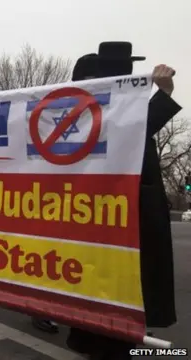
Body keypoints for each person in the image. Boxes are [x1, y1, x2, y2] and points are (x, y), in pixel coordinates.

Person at [64, 42, 180, 360]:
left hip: (131, 204)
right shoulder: (85, 108)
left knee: (128, 272)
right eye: (115, 70)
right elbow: (122, 132)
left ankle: (123, 329)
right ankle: (97, 336)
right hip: (97, 206)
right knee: (99, 272)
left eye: (126, 68)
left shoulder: (123, 105)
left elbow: (136, 130)